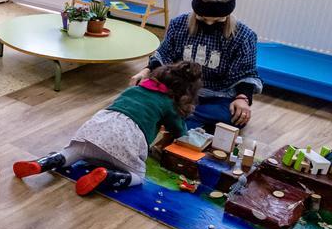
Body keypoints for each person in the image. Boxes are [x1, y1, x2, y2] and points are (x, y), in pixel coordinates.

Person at [14, 62, 203, 195]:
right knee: (139, 175)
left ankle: (43, 163)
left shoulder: (134, 89)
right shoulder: (168, 103)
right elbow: (180, 132)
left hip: (96, 129)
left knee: (73, 152)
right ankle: (107, 177)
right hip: (124, 140)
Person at [130, 0, 261, 131]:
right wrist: (146, 71)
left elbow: (246, 72)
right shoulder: (178, 24)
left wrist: (242, 98)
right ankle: (182, 121)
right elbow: (164, 54)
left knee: (234, 115)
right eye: (202, 18)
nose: (210, 24)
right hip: (179, 91)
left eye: (218, 20)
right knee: (137, 96)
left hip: (218, 97)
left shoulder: (244, 35)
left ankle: (174, 119)